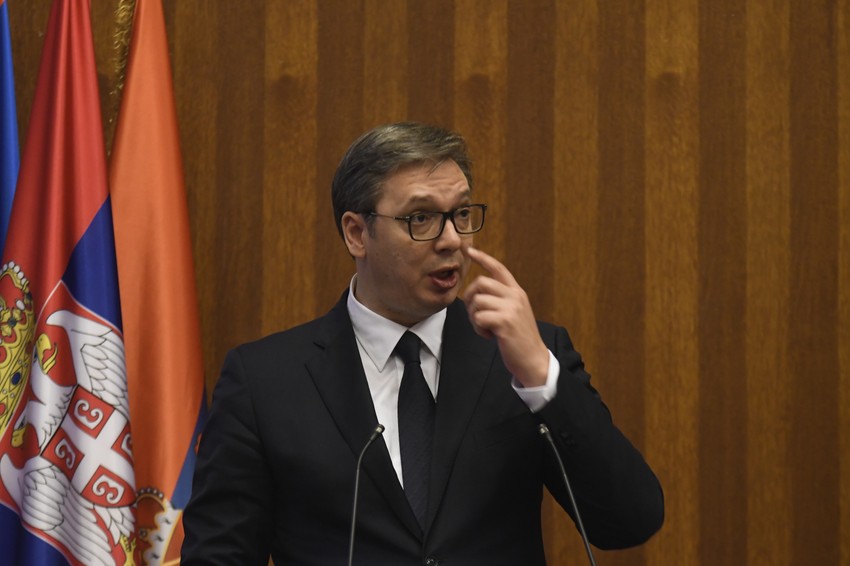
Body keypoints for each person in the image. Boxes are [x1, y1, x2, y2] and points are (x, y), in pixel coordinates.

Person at [181, 122, 664, 565]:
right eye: (421, 218)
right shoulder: (265, 383)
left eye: (461, 214)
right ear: (357, 233)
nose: (452, 240)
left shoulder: (524, 356)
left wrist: (541, 376)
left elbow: (630, 521)